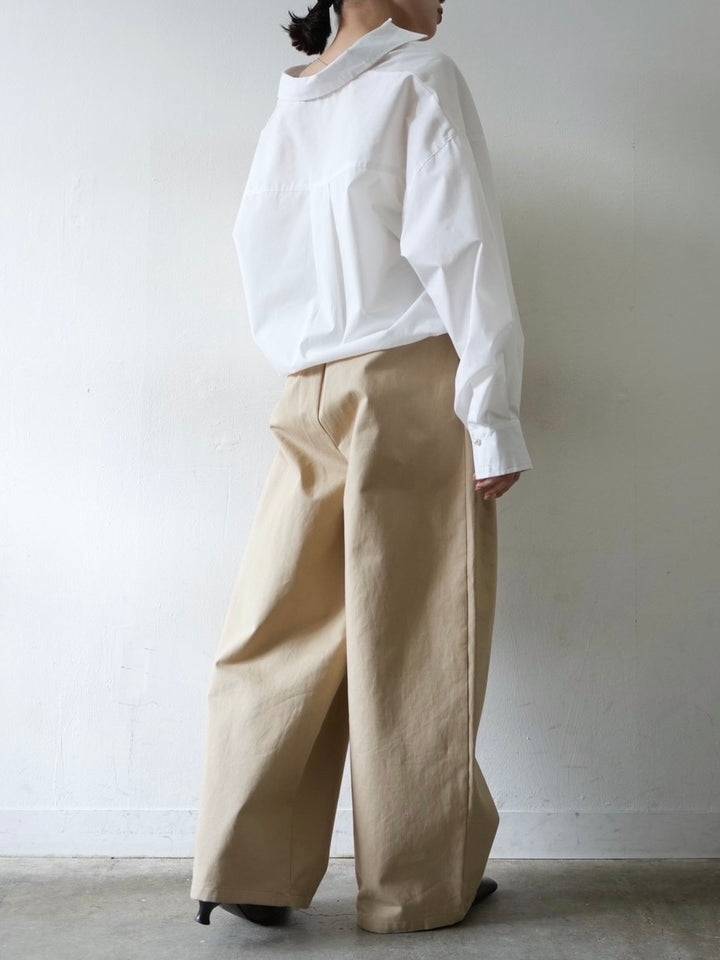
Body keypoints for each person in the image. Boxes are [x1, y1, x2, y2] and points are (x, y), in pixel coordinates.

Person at [190, 0, 533, 936]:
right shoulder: (420, 79)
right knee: (417, 639)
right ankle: (415, 886)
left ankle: (247, 860)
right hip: (411, 384)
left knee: (283, 627)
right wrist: (492, 415)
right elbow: (464, 253)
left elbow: (261, 261)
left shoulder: (292, 103)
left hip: (309, 387)